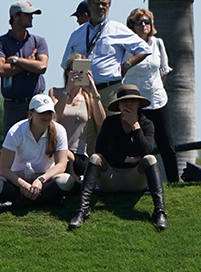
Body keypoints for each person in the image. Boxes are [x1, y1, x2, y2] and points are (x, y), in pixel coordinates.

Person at [68, 84, 168, 231]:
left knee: (151, 160)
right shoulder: (110, 122)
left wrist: (135, 126)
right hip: (111, 178)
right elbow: (100, 149)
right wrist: (125, 159)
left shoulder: (147, 124)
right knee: (95, 158)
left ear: (139, 104)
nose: (128, 105)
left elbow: (146, 151)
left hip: (135, 179)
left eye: (133, 101)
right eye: (124, 102)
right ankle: (82, 211)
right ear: (119, 105)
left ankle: (159, 212)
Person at [0, 93, 74, 214]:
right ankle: (47, 198)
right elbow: (4, 168)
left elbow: (61, 165)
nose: (47, 116)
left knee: (66, 181)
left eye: (49, 113)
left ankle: (13, 204)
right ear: (30, 114)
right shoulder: (16, 131)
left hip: (46, 180)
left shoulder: (59, 130)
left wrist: (41, 180)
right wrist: (24, 185)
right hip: (18, 180)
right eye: (42, 113)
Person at [59, 0, 150, 107]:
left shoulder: (117, 28)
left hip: (109, 90)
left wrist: (126, 65)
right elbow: (66, 63)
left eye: (104, 4)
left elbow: (144, 49)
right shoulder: (77, 33)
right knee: (85, 126)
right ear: (89, 5)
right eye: (97, 3)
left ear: (109, 5)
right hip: (83, 93)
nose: (101, 7)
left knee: (111, 125)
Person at [124, 8, 178, 180]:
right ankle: (136, 183)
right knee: (136, 145)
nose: (144, 25)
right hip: (135, 103)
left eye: (147, 22)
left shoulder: (158, 43)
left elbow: (163, 70)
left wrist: (156, 88)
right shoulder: (125, 45)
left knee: (166, 144)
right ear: (132, 25)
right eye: (139, 22)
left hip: (157, 100)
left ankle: (174, 182)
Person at [0, 0, 50, 131]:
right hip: (13, 106)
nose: (31, 17)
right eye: (27, 14)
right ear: (15, 16)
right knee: (13, 148)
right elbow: (0, 69)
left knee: (41, 145)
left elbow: (41, 67)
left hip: (37, 103)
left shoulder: (39, 41)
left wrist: (17, 60)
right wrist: (30, 62)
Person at [52, 55, 105, 179]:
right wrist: (67, 90)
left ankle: (76, 179)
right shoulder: (56, 92)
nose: (81, 74)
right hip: (58, 152)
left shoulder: (88, 97)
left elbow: (101, 122)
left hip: (79, 155)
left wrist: (95, 92)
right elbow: (54, 118)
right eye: (76, 69)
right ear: (68, 72)